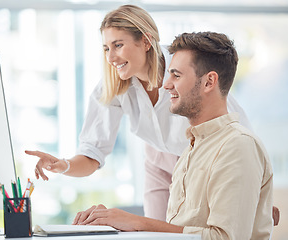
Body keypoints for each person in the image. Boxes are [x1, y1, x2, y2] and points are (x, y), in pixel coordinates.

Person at [26, 5, 251, 221]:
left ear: (145, 41)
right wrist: (62, 165)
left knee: (201, 229)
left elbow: (231, 124)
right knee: (156, 233)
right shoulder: (113, 86)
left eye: (118, 45)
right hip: (156, 161)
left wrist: (253, 188)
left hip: (200, 161)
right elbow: (92, 153)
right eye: (106, 48)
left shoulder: (182, 68)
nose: (110, 57)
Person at [73, 31, 274, 239]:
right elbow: (179, 232)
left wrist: (137, 222)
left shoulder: (237, 146)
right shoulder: (190, 150)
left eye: (176, 75)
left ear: (209, 82)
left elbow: (224, 237)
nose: (166, 85)